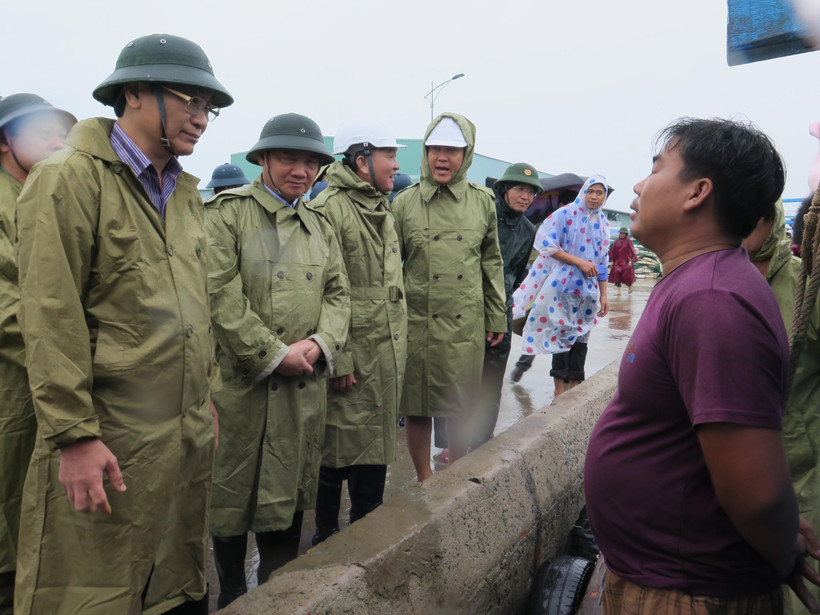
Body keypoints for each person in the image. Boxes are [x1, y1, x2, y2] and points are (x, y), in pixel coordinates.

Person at [13, 33, 231, 615]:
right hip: (108, 431)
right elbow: (50, 314)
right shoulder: (69, 178)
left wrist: (203, 391)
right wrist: (74, 436)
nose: (201, 119)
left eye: (209, 108)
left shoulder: (182, 193)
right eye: (190, 101)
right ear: (135, 93)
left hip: (178, 427)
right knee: (93, 586)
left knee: (173, 579)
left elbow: (192, 305)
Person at [585, 117, 820, 615]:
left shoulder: (713, 299)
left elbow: (754, 491)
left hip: (686, 595)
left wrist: (781, 550)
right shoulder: (693, 280)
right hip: (666, 581)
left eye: (656, 167)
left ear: (697, 192)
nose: (638, 185)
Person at [205, 113, 349, 608]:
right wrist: (271, 354)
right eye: (289, 157)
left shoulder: (320, 225)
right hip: (241, 386)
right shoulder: (227, 214)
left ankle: (277, 594)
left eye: (311, 162)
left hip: (302, 386)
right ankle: (231, 593)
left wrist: (319, 345)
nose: (300, 170)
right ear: (263, 159)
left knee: (289, 493)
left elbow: (338, 295)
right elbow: (219, 293)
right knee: (230, 495)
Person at [392, 113, 506, 482]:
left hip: (464, 319)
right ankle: (425, 478)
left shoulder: (482, 202)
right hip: (418, 319)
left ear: (466, 154)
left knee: (460, 405)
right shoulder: (405, 203)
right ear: (425, 153)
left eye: (452, 150)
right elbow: (391, 266)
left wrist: (497, 316)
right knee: (418, 405)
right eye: (435, 149)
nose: (442, 157)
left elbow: (491, 262)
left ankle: (455, 469)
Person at [309, 120, 408, 545]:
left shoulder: (381, 204)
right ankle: (327, 537)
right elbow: (326, 292)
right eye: (390, 155)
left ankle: (368, 528)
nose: (397, 164)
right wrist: (339, 357)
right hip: (351, 354)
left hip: (384, 350)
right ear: (363, 161)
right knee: (338, 446)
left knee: (378, 440)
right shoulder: (330, 208)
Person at [0, 93, 75, 615]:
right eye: (40, 132)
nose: (56, 142)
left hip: (51, 385)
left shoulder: (47, 197)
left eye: (60, 133)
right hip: (15, 389)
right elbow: (11, 313)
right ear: (5, 141)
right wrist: (75, 362)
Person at [512, 176, 611, 398]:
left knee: (581, 340)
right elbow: (545, 244)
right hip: (561, 288)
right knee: (560, 336)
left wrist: (604, 295)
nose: (594, 196)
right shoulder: (564, 215)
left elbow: (603, 262)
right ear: (583, 192)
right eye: (591, 191)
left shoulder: (603, 224)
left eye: (599, 192)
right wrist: (579, 262)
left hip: (588, 293)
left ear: (604, 196)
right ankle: (559, 392)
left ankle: (574, 389)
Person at [509, 188, 577, 383]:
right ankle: (524, 363)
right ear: (561, 206)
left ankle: (564, 378)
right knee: (535, 320)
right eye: (565, 206)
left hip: (567, 287)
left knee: (562, 327)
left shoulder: (579, 230)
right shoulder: (546, 225)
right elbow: (532, 251)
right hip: (540, 281)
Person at [608, 226, 637, 295]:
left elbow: (631, 250)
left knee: (626, 275)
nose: (621, 234)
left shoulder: (628, 241)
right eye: (620, 233)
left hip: (626, 262)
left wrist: (630, 260)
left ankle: (630, 286)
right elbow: (613, 251)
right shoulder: (616, 241)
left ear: (626, 234)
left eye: (623, 233)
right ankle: (619, 291)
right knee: (616, 275)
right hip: (618, 261)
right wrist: (612, 260)